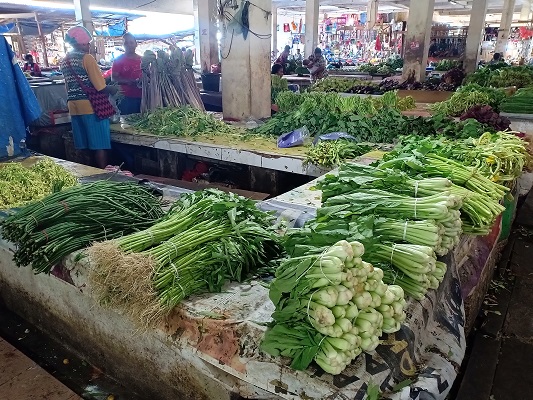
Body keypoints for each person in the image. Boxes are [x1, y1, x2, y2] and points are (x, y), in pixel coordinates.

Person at [60, 26, 118, 169]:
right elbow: (100, 87)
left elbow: (68, 86)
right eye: (87, 43)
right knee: (99, 144)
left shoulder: (64, 60)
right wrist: (114, 88)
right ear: (80, 43)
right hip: (90, 106)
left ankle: (87, 175)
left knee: (84, 145)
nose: (89, 46)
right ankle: (103, 177)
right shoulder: (87, 58)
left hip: (73, 106)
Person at [112, 33, 142, 115]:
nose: (129, 45)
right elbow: (114, 78)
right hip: (125, 97)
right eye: (126, 43)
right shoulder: (118, 60)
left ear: (136, 44)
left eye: (131, 42)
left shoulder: (142, 60)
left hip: (142, 96)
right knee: (126, 121)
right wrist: (129, 81)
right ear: (123, 45)